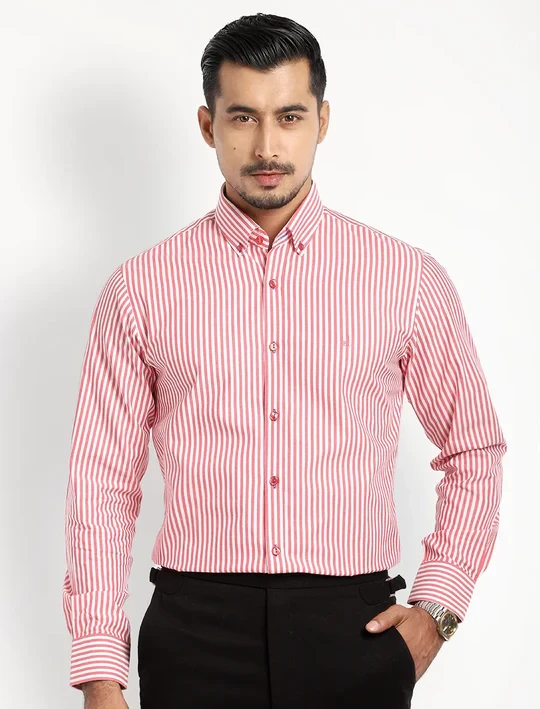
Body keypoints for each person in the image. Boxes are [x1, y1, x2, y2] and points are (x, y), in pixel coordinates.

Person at [62, 12, 507, 709]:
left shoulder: (406, 278)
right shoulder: (141, 287)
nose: (267, 145)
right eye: (242, 118)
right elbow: (101, 480)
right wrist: (99, 669)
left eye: (290, 116)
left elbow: (474, 448)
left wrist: (438, 610)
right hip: (193, 632)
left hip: (355, 629)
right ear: (207, 125)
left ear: (322, 121)